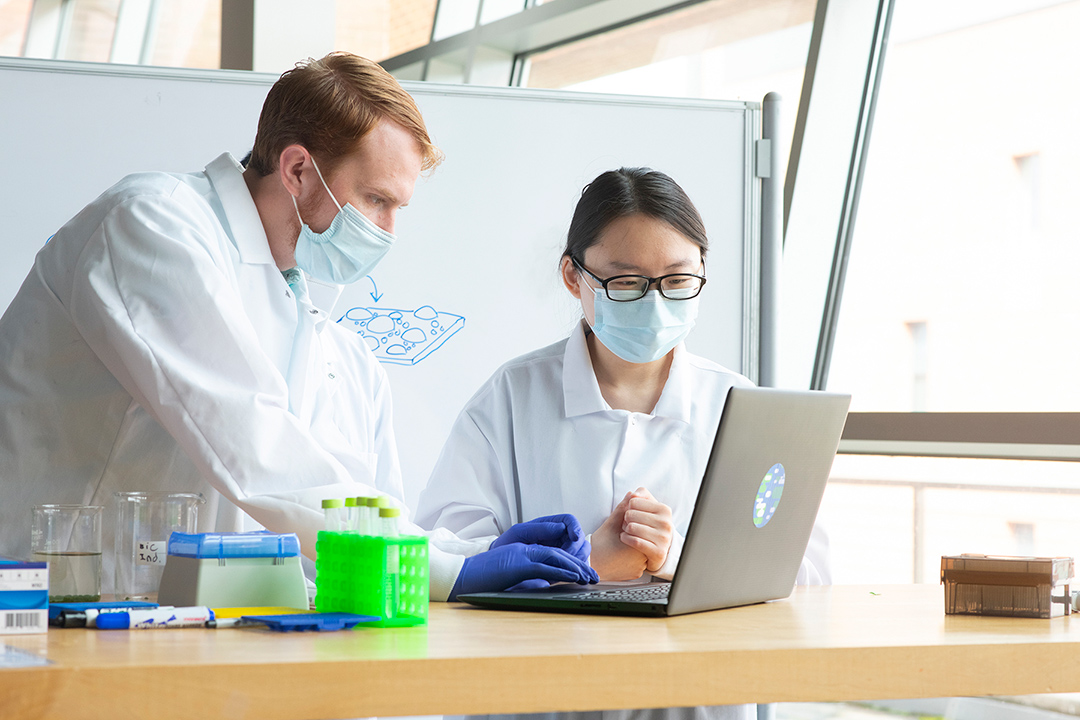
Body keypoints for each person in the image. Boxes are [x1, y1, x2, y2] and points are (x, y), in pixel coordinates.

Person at [0, 52, 595, 601]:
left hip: (175, 618)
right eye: (376, 200)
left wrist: (466, 551)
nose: (389, 230)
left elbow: (333, 487)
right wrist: (446, 573)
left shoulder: (301, 310)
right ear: (298, 170)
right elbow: (251, 445)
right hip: (51, 606)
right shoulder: (155, 226)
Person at [415, 167, 830, 719]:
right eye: (626, 282)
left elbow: (808, 576)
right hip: (536, 698)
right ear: (572, 275)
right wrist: (583, 562)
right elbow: (440, 565)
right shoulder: (510, 398)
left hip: (693, 699)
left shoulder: (739, 403)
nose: (654, 303)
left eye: (678, 280)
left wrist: (677, 558)